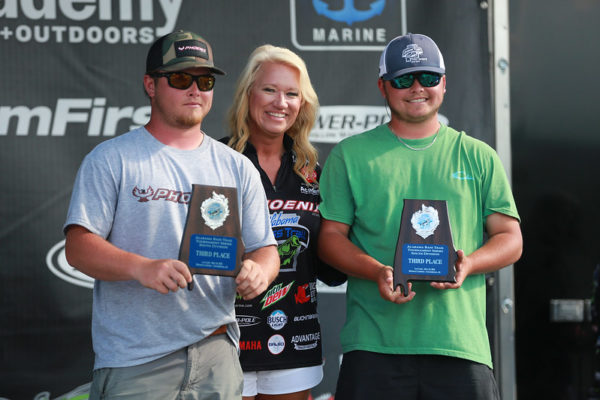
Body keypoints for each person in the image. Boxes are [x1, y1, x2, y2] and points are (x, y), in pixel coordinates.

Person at [63, 30, 279, 400]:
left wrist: (259, 270)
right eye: (180, 79)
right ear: (151, 85)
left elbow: (265, 248)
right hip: (137, 360)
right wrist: (141, 268)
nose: (195, 90)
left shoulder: (238, 167)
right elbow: (78, 248)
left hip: (216, 354)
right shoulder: (112, 158)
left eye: (205, 81)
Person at [317, 33, 523, 399]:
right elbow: (330, 239)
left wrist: (469, 264)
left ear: (443, 83)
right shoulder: (350, 155)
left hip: (459, 345)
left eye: (428, 77)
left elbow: (511, 238)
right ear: (382, 86)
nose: (417, 88)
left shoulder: (478, 155)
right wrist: (376, 271)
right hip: (374, 345)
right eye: (403, 79)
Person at [222, 44, 344, 400]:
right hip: (225, 340)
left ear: (302, 104)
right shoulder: (216, 161)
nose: (281, 102)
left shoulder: (312, 173)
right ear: (248, 94)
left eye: (292, 94)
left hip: (295, 339)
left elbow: (330, 269)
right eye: (269, 90)